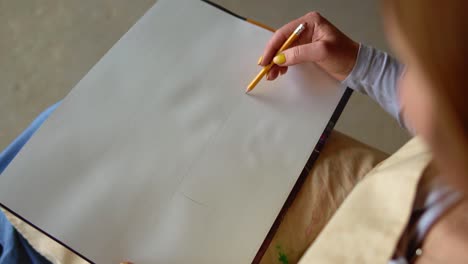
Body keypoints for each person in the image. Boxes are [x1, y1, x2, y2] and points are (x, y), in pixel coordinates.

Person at [1, 0, 467, 263]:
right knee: (66, 129)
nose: (407, 84)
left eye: (420, 72)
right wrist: (363, 64)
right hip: (376, 195)